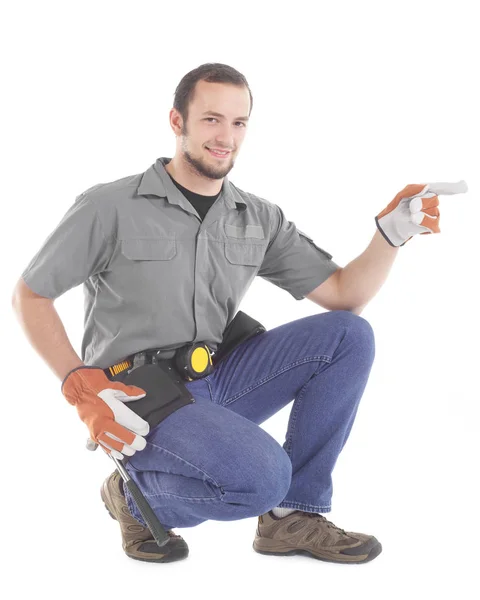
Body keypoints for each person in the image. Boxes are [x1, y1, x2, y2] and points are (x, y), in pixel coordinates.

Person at [12, 62, 465, 565]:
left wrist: (389, 236)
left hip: (219, 375)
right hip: (140, 398)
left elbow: (343, 295)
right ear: (177, 121)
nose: (226, 136)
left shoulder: (257, 216)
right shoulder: (109, 205)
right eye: (210, 119)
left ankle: (291, 517)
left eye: (239, 122)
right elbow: (30, 295)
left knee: (348, 335)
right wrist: (80, 386)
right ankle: (133, 500)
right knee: (260, 479)